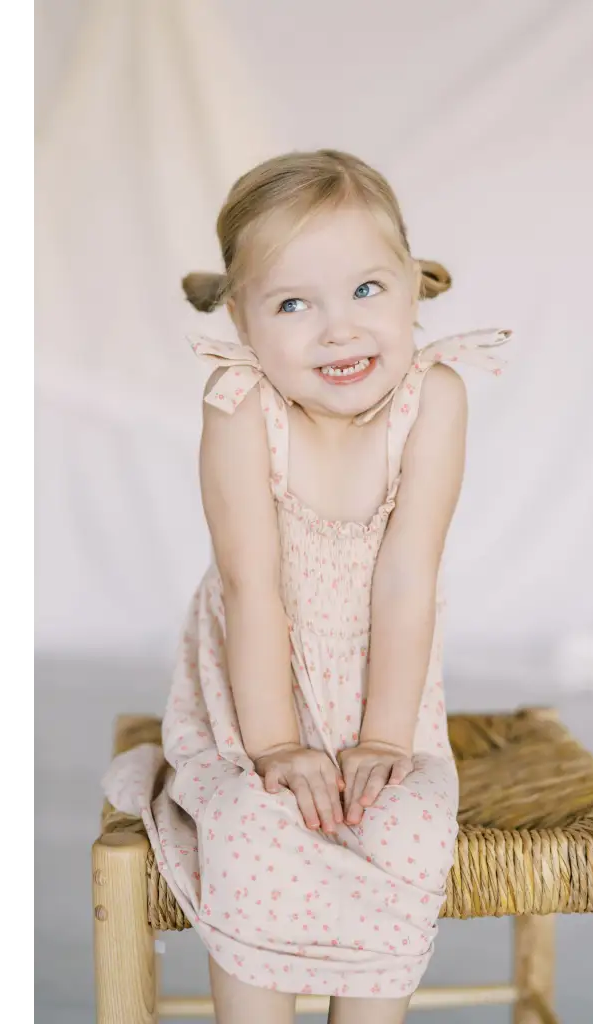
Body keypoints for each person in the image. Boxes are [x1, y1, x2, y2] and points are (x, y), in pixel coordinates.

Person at [105, 148, 510, 1024]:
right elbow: (253, 589)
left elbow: (409, 579)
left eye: (367, 289)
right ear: (244, 322)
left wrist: (384, 740)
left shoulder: (433, 399)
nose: (339, 329)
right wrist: (279, 747)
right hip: (254, 698)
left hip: (385, 696)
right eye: (294, 303)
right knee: (255, 829)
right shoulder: (241, 404)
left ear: (413, 284)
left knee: (403, 826)